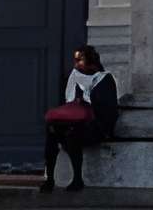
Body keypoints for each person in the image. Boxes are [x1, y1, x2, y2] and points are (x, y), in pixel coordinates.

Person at [39, 44, 118, 193]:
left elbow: (106, 111)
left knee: (72, 134)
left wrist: (87, 104)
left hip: (95, 126)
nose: (76, 64)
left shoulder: (104, 80)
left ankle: (77, 179)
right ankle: (49, 179)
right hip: (76, 123)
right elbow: (69, 104)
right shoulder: (75, 77)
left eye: (80, 60)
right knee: (52, 129)